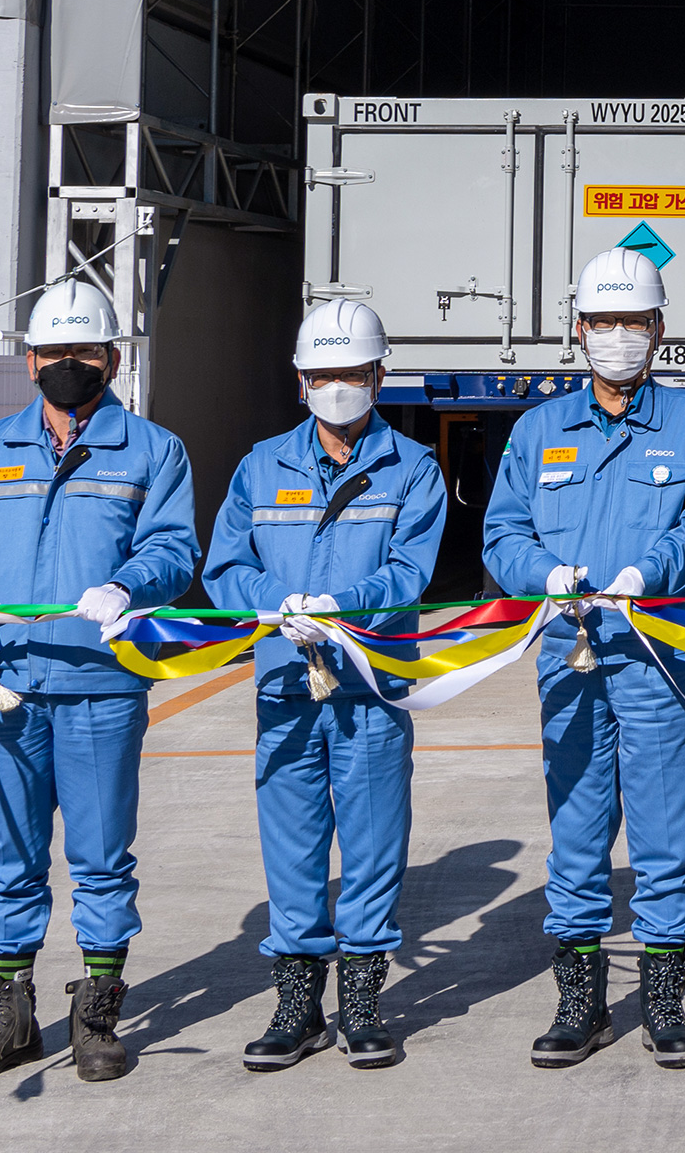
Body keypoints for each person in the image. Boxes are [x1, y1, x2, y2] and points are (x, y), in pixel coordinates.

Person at [0, 278, 198, 1084]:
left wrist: (130, 585)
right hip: (7, 682)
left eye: (83, 353)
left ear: (110, 360)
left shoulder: (153, 450)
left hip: (103, 685)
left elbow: (176, 551)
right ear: (29, 360)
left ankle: (97, 1011)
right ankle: (8, 1016)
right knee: (11, 858)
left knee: (103, 857)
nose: (66, 365)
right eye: (51, 353)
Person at [481, 246, 685, 1070]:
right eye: (604, 322)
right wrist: (539, 575)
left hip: (660, 653)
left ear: (660, 329)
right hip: (571, 655)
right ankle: (580, 1003)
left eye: (635, 322)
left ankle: (664, 1001)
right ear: (578, 330)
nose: (619, 336)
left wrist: (647, 573)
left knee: (666, 829)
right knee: (578, 830)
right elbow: (503, 532)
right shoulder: (538, 429)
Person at [203, 299, 447, 1072]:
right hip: (284, 684)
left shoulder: (413, 469)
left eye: (351, 373)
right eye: (323, 374)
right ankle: (298, 1004)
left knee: (373, 843)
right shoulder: (258, 467)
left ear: (379, 376)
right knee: (293, 844)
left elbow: (411, 568)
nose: (337, 386)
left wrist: (345, 606)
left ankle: (365, 999)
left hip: (368, 685)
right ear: (301, 380)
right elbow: (224, 567)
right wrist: (266, 603)